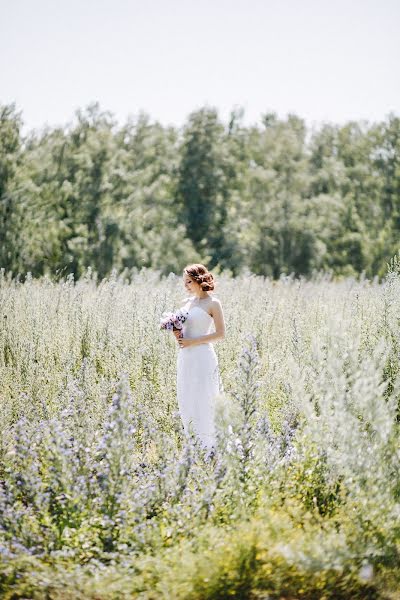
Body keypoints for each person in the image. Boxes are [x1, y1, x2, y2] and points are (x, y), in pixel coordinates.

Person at [174, 264, 225, 454]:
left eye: (189, 281)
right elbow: (182, 337)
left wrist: (194, 341)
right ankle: (194, 444)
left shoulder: (213, 303)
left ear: (198, 280)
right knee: (188, 396)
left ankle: (212, 444)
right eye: (184, 282)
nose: (186, 285)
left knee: (206, 396)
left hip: (203, 356)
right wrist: (176, 333)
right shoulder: (186, 303)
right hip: (186, 357)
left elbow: (220, 334)